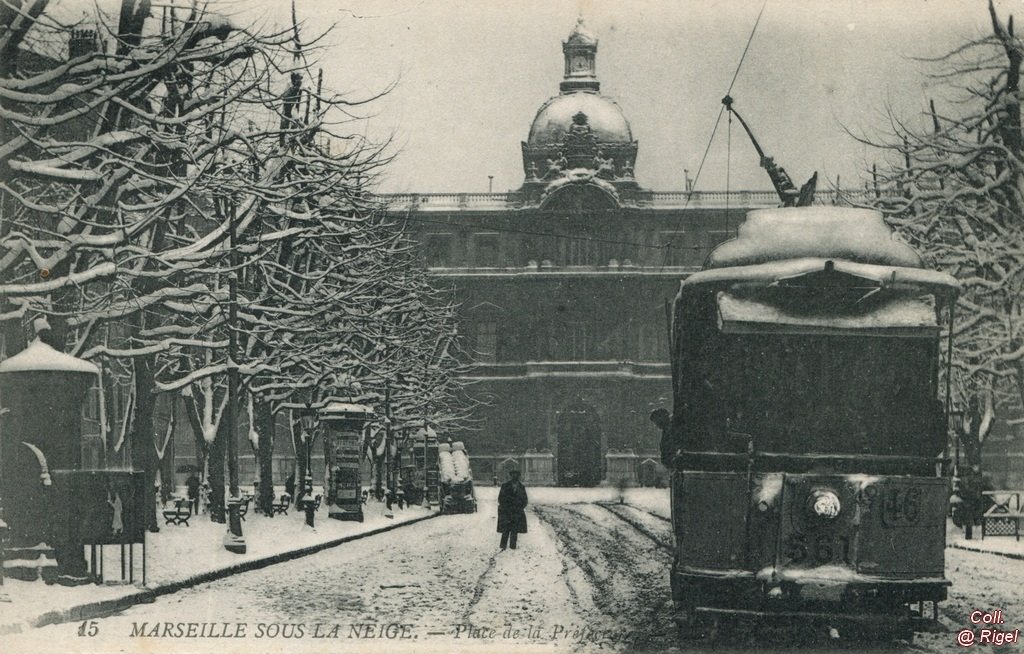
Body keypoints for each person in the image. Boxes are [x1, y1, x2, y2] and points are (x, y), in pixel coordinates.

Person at [497, 469, 528, 550]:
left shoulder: (521, 487)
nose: (515, 476)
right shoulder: (505, 486)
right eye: (513, 475)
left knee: (514, 530)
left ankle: (512, 546)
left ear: (518, 476)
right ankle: (503, 546)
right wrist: (505, 507)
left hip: (517, 512)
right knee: (505, 530)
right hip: (507, 512)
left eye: (516, 475)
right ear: (511, 476)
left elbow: (525, 500)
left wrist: (519, 508)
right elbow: (500, 499)